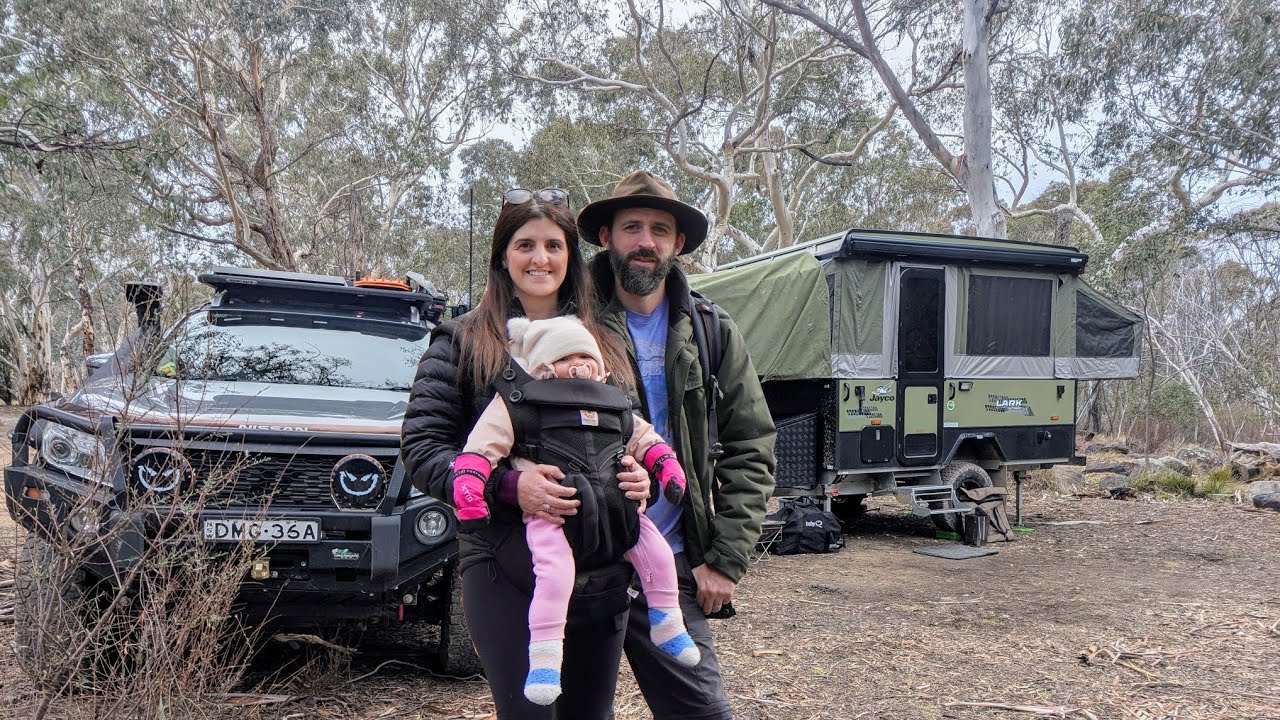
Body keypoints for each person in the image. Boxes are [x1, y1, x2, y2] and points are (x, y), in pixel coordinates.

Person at [401, 188, 651, 719]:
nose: (541, 259)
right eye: (525, 244)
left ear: (571, 256)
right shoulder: (461, 340)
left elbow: (631, 432)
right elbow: (422, 450)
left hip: (598, 558)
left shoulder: (605, 342)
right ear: (502, 255)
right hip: (502, 559)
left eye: (554, 246)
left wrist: (635, 477)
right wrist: (512, 486)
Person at [578, 170, 777, 720]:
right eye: (632, 228)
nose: (646, 242)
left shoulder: (711, 329)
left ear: (678, 244)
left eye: (659, 230)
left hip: (670, 562)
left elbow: (752, 445)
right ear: (606, 237)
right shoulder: (571, 323)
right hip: (581, 560)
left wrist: (726, 561)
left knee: (702, 713)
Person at [450, 314, 699, 706]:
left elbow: (646, 440)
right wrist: (473, 487)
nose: (581, 365)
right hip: (551, 516)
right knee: (555, 576)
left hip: (617, 515)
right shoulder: (521, 406)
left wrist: (662, 472)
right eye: (569, 357)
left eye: (588, 357)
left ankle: (668, 622)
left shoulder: (615, 407)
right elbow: (480, 449)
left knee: (659, 555)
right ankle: (546, 659)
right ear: (545, 368)